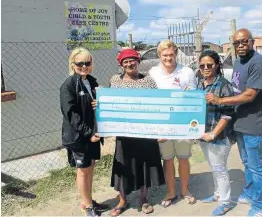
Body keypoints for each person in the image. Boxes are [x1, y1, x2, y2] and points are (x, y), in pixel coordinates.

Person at [206, 28, 262, 216]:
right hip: (241, 123)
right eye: (237, 43)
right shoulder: (238, 62)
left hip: (255, 125)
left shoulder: (258, 63)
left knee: (256, 167)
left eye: (244, 41)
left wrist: (219, 101)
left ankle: (259, 206)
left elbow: (250, 95)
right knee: (247, 163)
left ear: (252, 42)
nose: (241, 45)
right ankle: (250, 193)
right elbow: (235, 89)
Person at [95, 48, 165, 216]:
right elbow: (109, 104)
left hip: (144, 133)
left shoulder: (148, 81)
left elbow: (157, 105)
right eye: (125, 62)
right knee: (123, 167)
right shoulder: (115, 80)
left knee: (143, 166)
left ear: (138, 61)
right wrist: (99, 103)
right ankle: (122, 200)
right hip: (124, 134)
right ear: (121, 64)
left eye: (132, 60)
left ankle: (143, 199)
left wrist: (160, 130)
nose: (129, 64)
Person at [149, 40, 197, 207]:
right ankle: (171, 191)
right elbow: (150, 98)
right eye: (165, 55)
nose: (168, 58)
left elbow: (194, 96)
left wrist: (188, 94)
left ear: (176, 53)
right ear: (159, 55)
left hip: (183, 124)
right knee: (167, 160)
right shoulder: (153, 72)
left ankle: (184, 190)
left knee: (183, 158)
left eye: (171, 54)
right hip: (162, 125)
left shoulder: (187, 72)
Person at [60, 47, 107, 217]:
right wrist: (89, 133)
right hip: (79, 137)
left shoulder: (92, 81)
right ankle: (87, 207)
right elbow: (71, 115)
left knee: (90, 167)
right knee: (83, 170)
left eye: (88, 62)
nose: (84, 66)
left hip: (92, 135)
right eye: (80, 63)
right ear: (73, 64)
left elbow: (91, 106)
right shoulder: (68, 85)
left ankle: (89, 200)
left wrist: (98, 103)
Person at [197, 50, 235, 216]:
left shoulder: (224, 85)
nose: (205, 68)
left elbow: (227, 114)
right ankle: (218, 194)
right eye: (202, 65)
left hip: (219, 136)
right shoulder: (200, 83)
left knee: (219, 168)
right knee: (213, 166)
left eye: (209, 65)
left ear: (217, 65)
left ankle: (226, 202)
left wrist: (213, 134)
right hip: (203, 134)